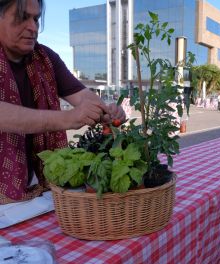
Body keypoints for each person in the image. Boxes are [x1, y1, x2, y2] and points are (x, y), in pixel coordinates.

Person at [0, 0, 126, 204]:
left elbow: (82, 96)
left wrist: (106, 111)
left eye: (36, 19)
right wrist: (68, 118)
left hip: (36, 185)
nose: (33, 27)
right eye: (22, 17)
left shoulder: (45, 58)